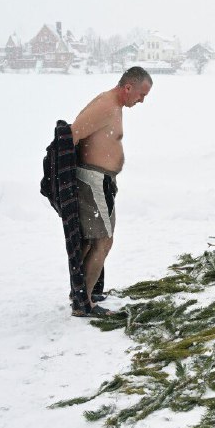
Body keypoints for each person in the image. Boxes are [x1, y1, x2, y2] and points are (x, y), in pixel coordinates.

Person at [70, 66, 152, 316]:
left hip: (102, 181)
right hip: (93, 180)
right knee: (103, 241)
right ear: (128, 87)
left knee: (92, 240)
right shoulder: (105, 105)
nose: (142, 100)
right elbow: (72, 135)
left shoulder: (115, 105)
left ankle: (85, 292)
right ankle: (83, 305)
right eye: (141, 94)